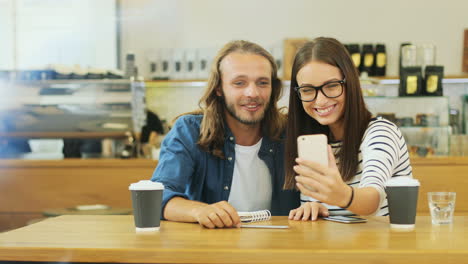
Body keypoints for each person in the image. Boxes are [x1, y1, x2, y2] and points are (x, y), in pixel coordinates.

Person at [151, 40, 299, 228]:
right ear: (219, 88)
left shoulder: (292, 133)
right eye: (239, 83)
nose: (253, 93)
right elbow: (158, 196)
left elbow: (319, 199)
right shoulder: (189, 131)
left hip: (279, 252)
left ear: (273, 88)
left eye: (262, 83)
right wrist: (200, 211)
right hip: (212, 252)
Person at [284, 37, 413, 221]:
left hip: (378, 246)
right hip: (329, 248)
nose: (320, 100)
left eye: (332, 86)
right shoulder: (310, 140)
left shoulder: (380, 132)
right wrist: (314, 207)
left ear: (350, 82)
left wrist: (342, 195)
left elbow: (372, 199)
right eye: (307, 90)